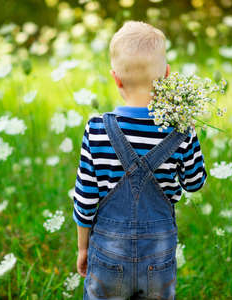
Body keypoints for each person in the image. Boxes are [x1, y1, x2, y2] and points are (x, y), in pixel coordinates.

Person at [72, 20, 207, 299]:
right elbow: (195, 183)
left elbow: (85, 201)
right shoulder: (180, 130)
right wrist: (192, 135)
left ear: (116, 78)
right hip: (159, 253)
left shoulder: (96, 129)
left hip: (108, 252)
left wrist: (83, 248)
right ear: (167, 75)